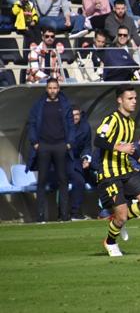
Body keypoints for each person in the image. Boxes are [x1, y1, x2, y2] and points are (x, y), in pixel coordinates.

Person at [95, 84, 140, 257]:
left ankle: (118, 222)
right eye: (130, 98)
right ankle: (110, 241)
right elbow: (98, 141)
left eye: (135, 98)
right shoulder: (112, 120)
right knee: (121, 216)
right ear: (119, 100)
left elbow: (131, 148)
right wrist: (117, 147)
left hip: (127, 170)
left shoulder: (130, 122)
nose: (134, 102)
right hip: (109, 175)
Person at [27, 78, 75, 223]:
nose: (52, 90)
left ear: (58, 89)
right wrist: (35, 142)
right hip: (44, 146)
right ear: (46, 89)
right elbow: (32, 123)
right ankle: (40, 217)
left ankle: (64, 216)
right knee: (41, 181)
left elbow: (71, 125)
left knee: (63, 180)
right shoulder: (39, 105)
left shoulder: (65, 104)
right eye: (50, 88)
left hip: (61, 145)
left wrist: (69, 143)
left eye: (55, 88)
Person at [69, 105, 93, 220]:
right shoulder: (63, 127)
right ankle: (75, 213)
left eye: (77, 115)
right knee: (79, 181)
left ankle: (107, 209)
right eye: (72, 115)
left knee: (98, 177)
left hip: (78, 161)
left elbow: (87, 146)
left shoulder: (85, 127)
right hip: (64, 162)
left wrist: (86, 158)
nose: (75, 117)